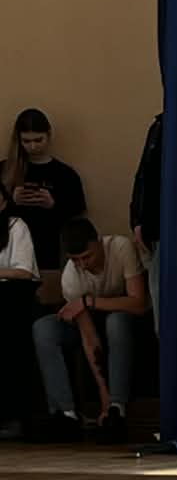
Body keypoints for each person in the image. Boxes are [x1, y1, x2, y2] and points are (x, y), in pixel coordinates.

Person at [33, 216, 149, 441]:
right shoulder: (71, 277)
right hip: (90, 324)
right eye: (75, 260)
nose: (83, 265)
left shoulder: (120, 248)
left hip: (125, 317)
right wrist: (102, 397)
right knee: (44, 328)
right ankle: (66, 414)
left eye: (87, 257)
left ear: (99, 241)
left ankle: (117, 408)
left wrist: (89, 302)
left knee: (116, 322)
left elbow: (138, 303)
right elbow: (89, 339)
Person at [3, 110, 86, 278]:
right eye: (26, 141)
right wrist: (11, 201)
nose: (33, 146)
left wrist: (53, 204)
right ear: (18, 139)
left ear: (48, 135)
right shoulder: (5, 170)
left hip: (51, 250)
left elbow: (77, 213)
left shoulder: (65, 174)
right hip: (9, 252)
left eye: (38, 140)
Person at [0, 181, 40, 439]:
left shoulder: (16, 226)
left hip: (14, 295)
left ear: (4, 201)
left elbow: (24, 271)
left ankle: (12, 415)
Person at [130, 111, 163, 330]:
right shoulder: (160, 126)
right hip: (157, 229)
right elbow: (145, 175)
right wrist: (138, 220)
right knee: (163, 308)